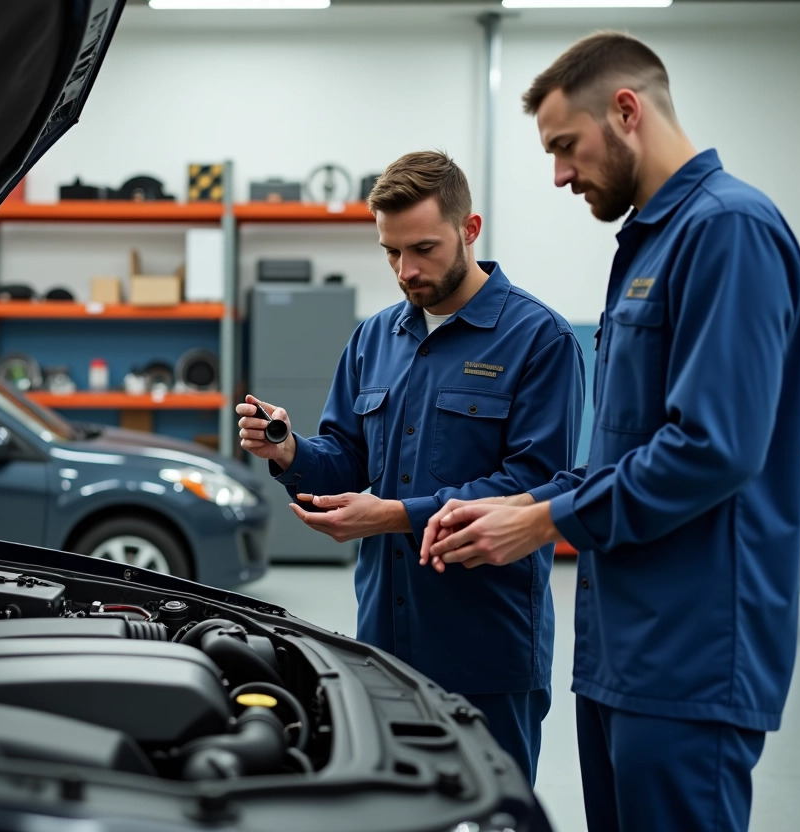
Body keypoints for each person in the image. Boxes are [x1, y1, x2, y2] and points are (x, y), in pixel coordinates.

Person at [420, 33, 800, 832]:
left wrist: (546, 520)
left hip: (691, 654)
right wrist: (519, 509)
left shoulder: (727, 229)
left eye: (566, 146)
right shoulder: (651, 242)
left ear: (626, 111)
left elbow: (713, 446)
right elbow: (621, 454)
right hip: (621, 652)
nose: (559, 174)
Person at [236, 150, 585, 786]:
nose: (406, 270)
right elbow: (345, 458)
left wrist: (396, 516)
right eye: (391, 252)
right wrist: (287, 450)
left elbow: (537, 486)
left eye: (422, 248)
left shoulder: (540, 340)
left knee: (488, 811)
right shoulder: (374, 338)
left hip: (487, 649)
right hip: (385, 642)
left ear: (470, 229)